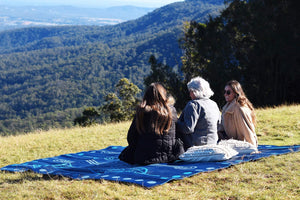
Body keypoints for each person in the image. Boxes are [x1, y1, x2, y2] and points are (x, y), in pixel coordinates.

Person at [118, 83, 184, 165]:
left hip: (144, 157)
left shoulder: (142, 112)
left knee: (126, 154)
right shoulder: (171, 110)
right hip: (168, 155)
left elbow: (131, 137)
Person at [176, 76, 220, 150]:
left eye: (190, 91)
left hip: (196, 147)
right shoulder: (214, 104)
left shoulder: (193, 105)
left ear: (195, 91)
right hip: (213, 144)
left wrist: (175, 122)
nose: (189, 94)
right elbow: (219, 124)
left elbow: (188, 128)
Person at [218, 80, 258, 146]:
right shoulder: (227, 107)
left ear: (236, 93)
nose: (225, 94)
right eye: (224, 92)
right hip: (233, 144)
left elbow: (247, 131)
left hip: (242, 146)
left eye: (228, 92)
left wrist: (253, 148)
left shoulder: (239, 108)